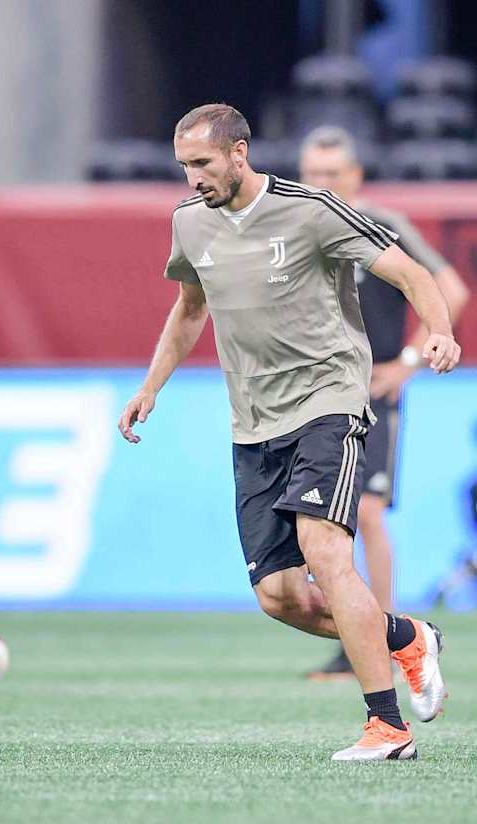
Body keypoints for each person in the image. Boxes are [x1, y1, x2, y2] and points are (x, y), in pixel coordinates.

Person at [118, 104, 460, 761]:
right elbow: (190, 310)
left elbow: (415, 275)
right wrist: (150, 387)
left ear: (239, 153)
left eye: (203, 164)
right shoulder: (190, 223)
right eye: (184, 166)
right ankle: (406, 637)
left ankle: (387, 729)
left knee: (326, 552)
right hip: (253, 423)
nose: (192, 178)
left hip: (328, 402)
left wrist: (435, 337)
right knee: (280, 597)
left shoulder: (311, 210)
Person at [298, 126, 471, 679]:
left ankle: (380, 636)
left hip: (371, 393)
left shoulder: (383, 226)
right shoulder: (293, 229)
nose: (321, 183)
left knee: (366, 514)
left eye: (332, 174)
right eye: (312, 174)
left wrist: (410, 361)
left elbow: (452, 289)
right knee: (319, 520)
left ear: (355, 177)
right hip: (312, 393)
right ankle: (354, 634)